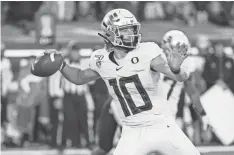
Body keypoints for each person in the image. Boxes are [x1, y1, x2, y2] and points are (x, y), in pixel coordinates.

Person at [45, 9, 205, 155]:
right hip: (132, 131)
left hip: (163, 125)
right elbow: (79, 77)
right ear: (110, 34)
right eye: (126, 30)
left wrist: (176, 68)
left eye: (132, 29)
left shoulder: (147, 51)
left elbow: (180, 77)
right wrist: (62, 65)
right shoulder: (101, 59)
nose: (132, 34)